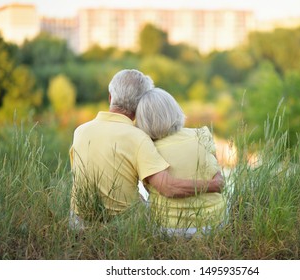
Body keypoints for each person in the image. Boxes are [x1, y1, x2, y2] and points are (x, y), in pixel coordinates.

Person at [69, 69, 223, 228]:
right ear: (141, 105)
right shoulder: (138, 138)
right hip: (122, 224)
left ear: (110, 97)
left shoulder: (80, 131)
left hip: (78, 220)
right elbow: (167, 187)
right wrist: (212, 185)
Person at [135, 87, 227, 238]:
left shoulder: (148, 149)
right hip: (217, 223)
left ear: (143, 120)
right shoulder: (202, 133)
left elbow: (164, 188)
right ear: (174, 109)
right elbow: (216, 174)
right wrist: (212, 186)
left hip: (169, 229)